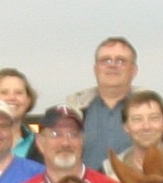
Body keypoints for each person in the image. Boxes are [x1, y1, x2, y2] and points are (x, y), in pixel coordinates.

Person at [60, 38, 142, 172]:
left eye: (120, 61)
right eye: (106, 60)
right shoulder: (74, 111)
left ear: (134, 70)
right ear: (95, 69)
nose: (112, 65)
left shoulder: (149, 113)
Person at [121, 90, 163, 165]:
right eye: (137, 119)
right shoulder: (110, 170)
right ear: (126, 127)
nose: (146, 127)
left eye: (154, 118)